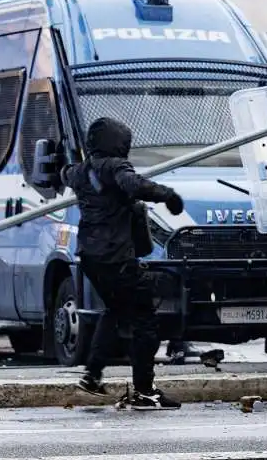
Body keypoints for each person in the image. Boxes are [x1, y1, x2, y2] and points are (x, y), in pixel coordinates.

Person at [60, 117, 185, 410]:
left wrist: (61, 164)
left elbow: (63, 174)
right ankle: (144, 391)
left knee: (114, 311)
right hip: (116, 257)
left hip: (90, 257)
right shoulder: (114, 167)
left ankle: (92, 375)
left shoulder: (80, 171)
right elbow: (134, 184)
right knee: (145, 320)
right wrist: (168, 196)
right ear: (118, 143)